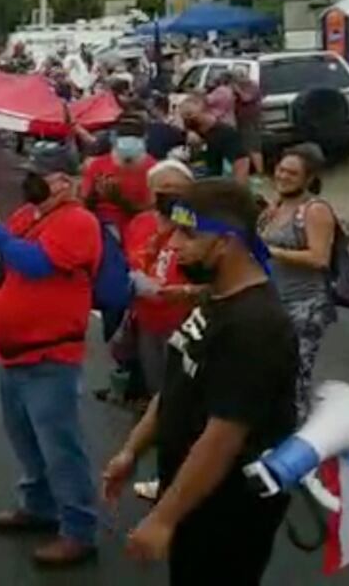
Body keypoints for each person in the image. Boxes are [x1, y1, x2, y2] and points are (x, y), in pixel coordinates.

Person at [101, 179, 298, 585]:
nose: (173, 244)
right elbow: (178, 383)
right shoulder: (214, 297)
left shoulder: (256, 327)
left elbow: (222, 438)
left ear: (226, 242)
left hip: (226, 510)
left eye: (188, 234)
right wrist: (131, 450)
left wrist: (163, 518)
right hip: (193, 498)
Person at [0, 142, 100, 567]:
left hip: (50, 356)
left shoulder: (78, 221)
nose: (28, 181)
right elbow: (6, 262)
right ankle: (39, 505)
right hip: (13, 353)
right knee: (26, 439)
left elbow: (36, 263)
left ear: (63, 182)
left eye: (37, 174)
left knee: (60, 446)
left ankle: (79, 529)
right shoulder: (28, 215)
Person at [120, 160, 204, 501]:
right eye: (161, 190)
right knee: (162, 400)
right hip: (149, 323)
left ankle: (188, 479)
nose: (168, 196)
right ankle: (169, 475)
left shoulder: (199, 227)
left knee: (189, 404)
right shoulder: (140, 223)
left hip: (188, 325)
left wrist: (185, 292)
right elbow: (129, 262)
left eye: (175, 190)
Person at [258, 143, 338, 417]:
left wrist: (271, 251)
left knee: (296, 375)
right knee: (271, 370)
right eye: (281, 169)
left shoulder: (315, 210)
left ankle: (297, 427)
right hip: (274, 302)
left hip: (305, 305)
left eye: (292, 173)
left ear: (309, 178)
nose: (282, 176)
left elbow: (319, 258)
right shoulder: (277, 205)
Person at [80, 116, 155, 237]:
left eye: (133, 136)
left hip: (137, 229)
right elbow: (84, 204)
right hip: (101, 226)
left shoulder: (153, 169)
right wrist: (96, 193)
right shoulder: (97, 165)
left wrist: (119, 200)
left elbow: (151, 211)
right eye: (124, 135)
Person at [177, 94, 250, 184]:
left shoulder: (225, 133)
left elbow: (242, 162)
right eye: (184, 117)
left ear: (204, 111)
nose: (188, 120)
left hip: (218, 185)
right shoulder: (190, 135)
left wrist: (237, 189)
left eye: (190, 115)